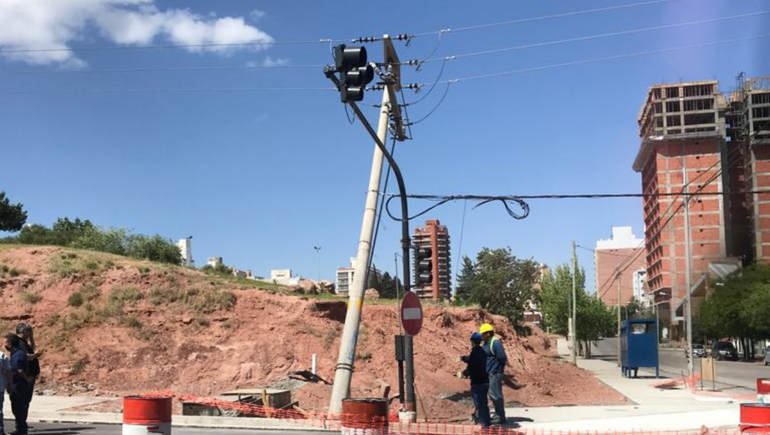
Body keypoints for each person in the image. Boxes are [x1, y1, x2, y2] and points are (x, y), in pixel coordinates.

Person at [461, 332, 490, 428]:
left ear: (473, 342)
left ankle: (484, 425)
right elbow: (473, 360)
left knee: (479, 404)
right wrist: (463, 358)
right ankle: (487, 422)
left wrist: (463, 374)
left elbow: (471, 366)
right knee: (484, 403)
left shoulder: (474, 352)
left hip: (477, 382)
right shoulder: (482, 351)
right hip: (485, 381)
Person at [480, 323, 507, 425]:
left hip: (494, 373)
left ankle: (500, 416)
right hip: (488, 373)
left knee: (496, 395)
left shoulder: (495, 342)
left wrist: (497, 369)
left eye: (483, 334)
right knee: (491, 394)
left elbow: (502, 358)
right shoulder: (486, 343)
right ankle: (497, 414)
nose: (482, 336)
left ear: (487, 333)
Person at [6, 334, 32, 435]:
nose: (5, 345)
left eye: (6, 342)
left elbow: (19, 370)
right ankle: (21, 429)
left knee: (17, 408)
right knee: (18, 408)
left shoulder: (17, 355)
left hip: (18, 385)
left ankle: (22, 430)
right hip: (19, 384)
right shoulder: (18, 353)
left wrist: (26, 380)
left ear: (11, 344)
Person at [15, 323, 40, 406]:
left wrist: (32, 337)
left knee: (26, 400)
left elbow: (32, 349)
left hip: (30, 374)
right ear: (23, 331)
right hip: (25, 375)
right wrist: (35, 355)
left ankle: (22, 417)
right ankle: (20, 418)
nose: (29, 333)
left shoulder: (24, 343)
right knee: (23, 400)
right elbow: (26, 357)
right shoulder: (19, 343)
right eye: (28, 331)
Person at [1, 345, 11, 435]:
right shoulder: (2, 356)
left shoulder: (2, 356)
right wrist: (10, 385)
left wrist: (9, 384)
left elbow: (8, 371)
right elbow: (8, 371)